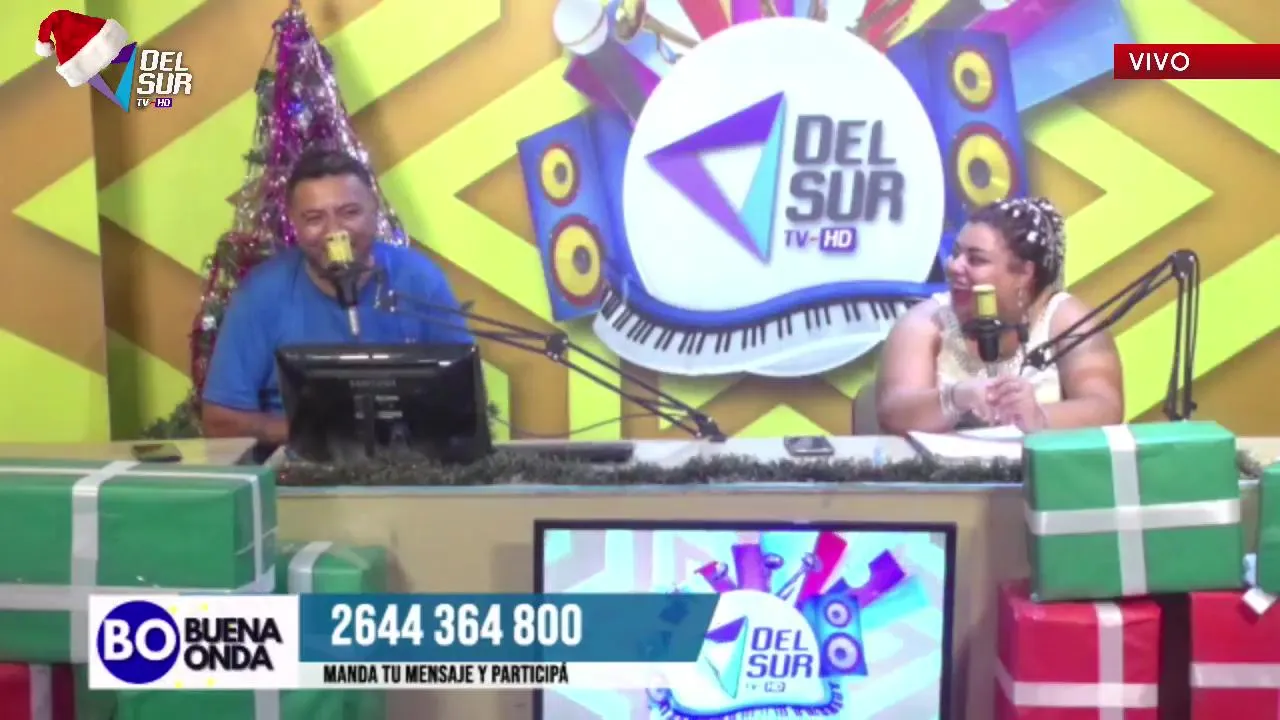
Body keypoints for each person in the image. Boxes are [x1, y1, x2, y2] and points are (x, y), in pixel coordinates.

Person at [201, 148, 472, 444]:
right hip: (296, 460)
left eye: (350, 213)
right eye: (314, 218)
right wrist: (329, 434)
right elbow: (220, 420)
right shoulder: (261, 293)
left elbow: (463, 398)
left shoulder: (420, 280)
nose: (335, 233)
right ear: (294, 223)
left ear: (375, 209)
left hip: (408, 456)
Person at [875, 196, 1124, 434]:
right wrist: (954, 399)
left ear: (1024, 273)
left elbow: (1106, 408)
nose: (953, 266)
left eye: (976, 259)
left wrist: (1039, 418)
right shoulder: (925, 322)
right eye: (956, 253)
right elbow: (893, 412)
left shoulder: (1066, 319)